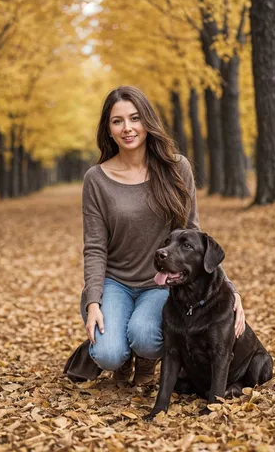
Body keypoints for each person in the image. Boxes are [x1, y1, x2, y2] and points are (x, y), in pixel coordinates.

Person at [79, 85, 245, 386]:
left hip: (162, 283)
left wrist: (229, 289)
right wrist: (93, 303)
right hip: (115, 282)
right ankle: (121, 352)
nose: (127, 128)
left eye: (135, 118)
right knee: (108, 354)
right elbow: (94, 248)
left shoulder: (176, 168)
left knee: (146, 338)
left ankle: (145, 358)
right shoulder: (96, 179)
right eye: (117, 121)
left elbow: (193, 235)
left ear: (148, 121)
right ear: (108, 128)